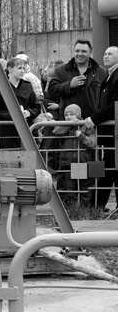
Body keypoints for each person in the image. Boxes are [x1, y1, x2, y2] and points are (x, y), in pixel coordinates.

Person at [84, 46, 118, 211]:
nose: (105, 56)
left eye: (110, 53)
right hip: (110, 133)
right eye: (104, 53)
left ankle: (95, 206)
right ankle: (96, 205)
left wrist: (95, 119)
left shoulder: (116, 76)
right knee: (110, 168)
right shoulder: (110, 75)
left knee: (111, 167)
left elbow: (115, 105)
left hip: (115, 133)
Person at [47, 39, 107, 120]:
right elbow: (51, 90)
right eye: (77, 51)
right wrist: (69, 85)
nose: (80, 54)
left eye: (84, 51)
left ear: (90, 53)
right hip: (68, 123)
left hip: (91, 123)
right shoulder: (61, 70)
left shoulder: (101, 71)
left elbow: (106, 98)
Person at [0, 57, 41, 150]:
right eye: (19, 68)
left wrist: (29, 113)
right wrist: (14, 115)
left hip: (27, 130)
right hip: (7, 133)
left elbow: (36, 107)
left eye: (24, 68)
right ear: (10, 69)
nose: (22, 71)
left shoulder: (27, 86)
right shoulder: (0, 87)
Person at [48, 104, 93, 203]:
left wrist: (81, 136)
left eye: (71, 114)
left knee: (82, 187)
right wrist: (67, 124)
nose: (68, 117)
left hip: (80, 161)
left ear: (78, 115)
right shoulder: (65, 127)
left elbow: (92, 144)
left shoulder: (85, 126)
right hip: (66, 162)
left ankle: (82, 209)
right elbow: (56, 132)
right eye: (66, 115)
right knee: (68, 187)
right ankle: (69, 208)